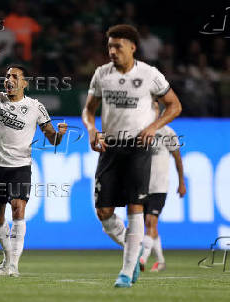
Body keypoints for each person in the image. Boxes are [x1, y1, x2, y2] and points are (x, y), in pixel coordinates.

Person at [82, 24, 181, 288]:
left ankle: (126, 272)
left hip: (138, 145)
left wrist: (153, 127)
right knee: (103, 211)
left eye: (118, 46)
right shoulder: (101, 74)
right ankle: (135, 248)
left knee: (135, 207)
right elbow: (88, 110)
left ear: (133, 47)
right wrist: (92, 130)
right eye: (110, 46)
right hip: (110, 146)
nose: (112, 51)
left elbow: (175, 105)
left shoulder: (150, 74)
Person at [0, 47, 67, 277]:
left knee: (18, 209)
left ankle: (13, 265)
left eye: (14, 77)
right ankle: (8, 258)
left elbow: (52, 139)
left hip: (20, 167)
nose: (8, 80)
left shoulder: (36, 107)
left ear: (25, 83)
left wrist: (60, 134)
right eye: (6, 76)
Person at [140, 104, 186, 272]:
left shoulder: (168, 132)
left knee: (150, 222)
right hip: (142, 185)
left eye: (156, 107)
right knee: (150, 226)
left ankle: (142, 258)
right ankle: (160, 261)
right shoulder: (140, 130)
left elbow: (178, 159)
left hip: (160, 186)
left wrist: (181, 182)